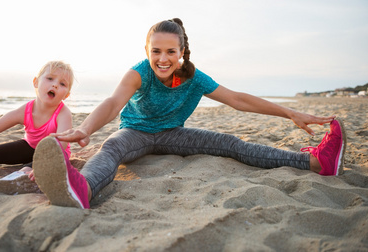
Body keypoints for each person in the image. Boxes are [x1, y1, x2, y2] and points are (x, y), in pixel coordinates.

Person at [32, 18, 346, 210]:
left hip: (173, 135)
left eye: (171, 51)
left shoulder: (195, 78)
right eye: (156, 51)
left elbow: (237, 99)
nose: (163, 59)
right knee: (111, 147)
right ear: (147, 51)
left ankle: (315, 161)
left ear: (182, 52)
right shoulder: (139, 73)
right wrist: (86, 128)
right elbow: (114, 104)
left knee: (230, 143)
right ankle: (81, 190)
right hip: (135, 134)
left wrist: (289, 112)